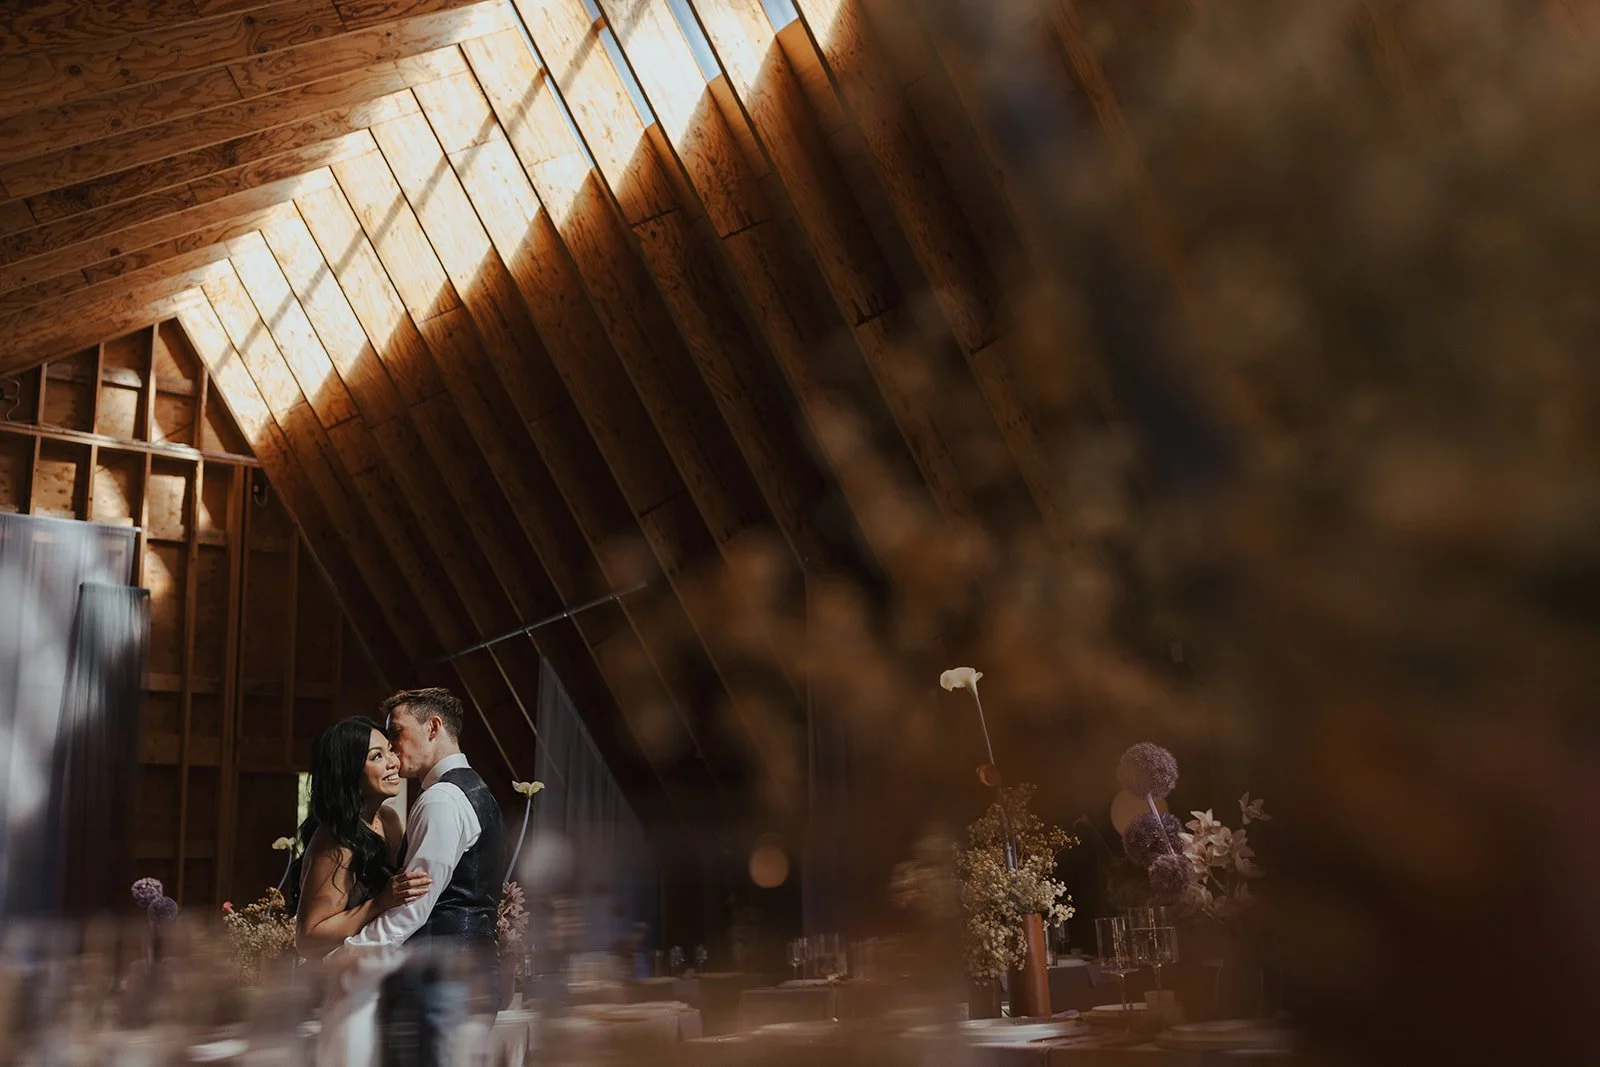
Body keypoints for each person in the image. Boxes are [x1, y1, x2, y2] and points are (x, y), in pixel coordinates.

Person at [332, 688, 507, 1067]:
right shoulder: (477, 791)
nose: (392, 748)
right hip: (470, 976)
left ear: (433, 727)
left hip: (441, 982)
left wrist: (347, 957)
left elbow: (412, 908)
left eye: (397, 732)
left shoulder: (442, 799)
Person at [288, 717, 432, 1067]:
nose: (393, 761)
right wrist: (380, 902)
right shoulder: (334, 842)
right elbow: (308, 938)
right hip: (345, 996)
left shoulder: (389, 820)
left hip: (382, 987)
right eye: (376, 756)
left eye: (390, 751)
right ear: (348, 772)